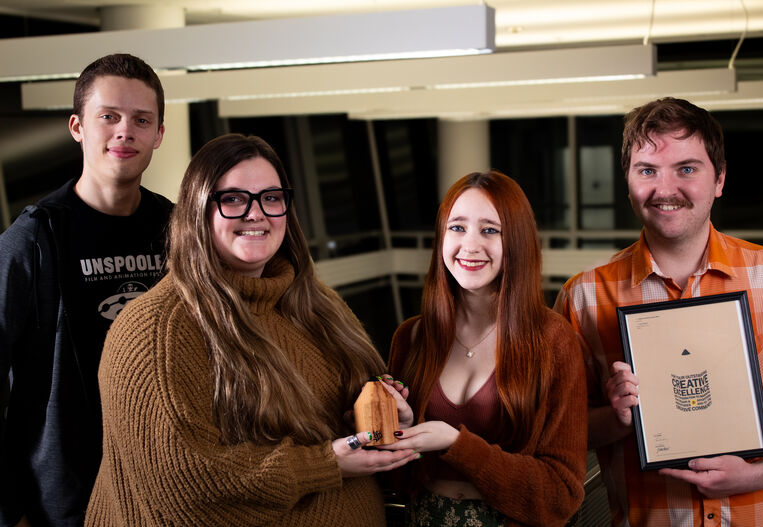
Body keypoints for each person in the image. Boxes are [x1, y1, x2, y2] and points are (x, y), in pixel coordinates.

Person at [84, 133, 419, 526]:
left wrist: (389, 419)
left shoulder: (318, 304)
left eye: (271, 197)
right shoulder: (155, 329)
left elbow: (349, 424)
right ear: (197, 210)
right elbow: (183, 485)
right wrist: (325, 464)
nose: (256, 213)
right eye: (233, 199)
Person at [555, 97, 763, 526]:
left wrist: (757, 474)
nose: (665, 189)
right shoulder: (583, 298)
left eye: (686, 169)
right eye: (647, 170)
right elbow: (559, 431)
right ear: (628, 181)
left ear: (719, 178)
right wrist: (615, 418)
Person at [0, 54, 172, 527]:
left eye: (142, 120)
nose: (125, 131)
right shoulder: (32, 240)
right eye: (108, 117)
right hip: (66, 500)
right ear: (77, 127)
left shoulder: (180, 231)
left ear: (159, 134)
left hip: (165, 485)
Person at [383, 171, 587, 526]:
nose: (470, 245)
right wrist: (401, 428)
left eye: (490, 230)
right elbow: (396, 482)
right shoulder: (411, 337)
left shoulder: (553, 340)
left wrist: (457, 446)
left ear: (517, 242)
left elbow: (561, 494)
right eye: (457, 228)